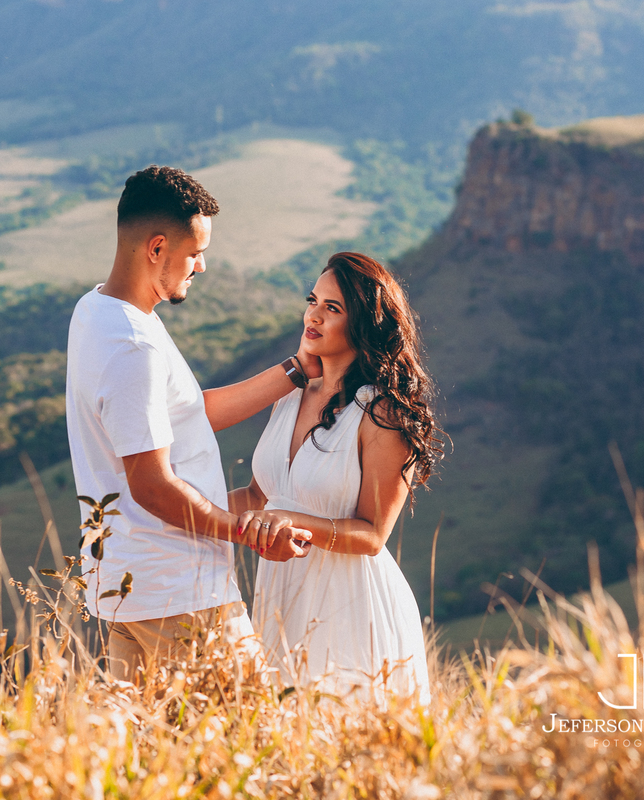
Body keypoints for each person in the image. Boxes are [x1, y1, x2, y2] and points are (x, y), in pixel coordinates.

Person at [65, 165, 318, 684]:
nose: (201, 266)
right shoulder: (132, 346)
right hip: (179, 591)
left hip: (129, 590)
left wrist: (293, 372)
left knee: (162, 753)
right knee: (254, 738)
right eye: (194, 252)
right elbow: (153, 486)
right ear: (157, 248)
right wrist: (246, 531)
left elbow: (185, 413)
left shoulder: (96, 311)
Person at [232, 252, 444, 703]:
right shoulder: (289, 397)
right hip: (281, 597)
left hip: (350, 605)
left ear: (365, 323)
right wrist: (175, 508)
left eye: (333, 308)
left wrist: (293, 524)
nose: (314, 314)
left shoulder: (383, 411)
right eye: (313, 300)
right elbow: (258, 496)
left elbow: (372, 535)